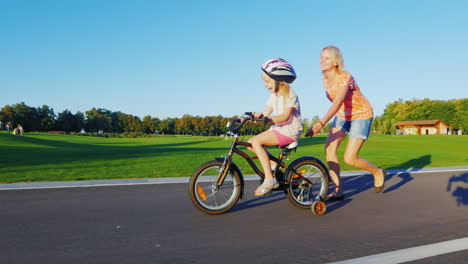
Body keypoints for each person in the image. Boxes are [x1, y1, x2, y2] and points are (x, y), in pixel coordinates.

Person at [305, 46, 386, 200]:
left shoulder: (345, 76)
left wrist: (320, 124)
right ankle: (338, 189)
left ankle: (377, 172)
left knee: (350, 158)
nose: (322, 60)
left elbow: (336, 103)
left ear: (336, 62)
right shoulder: (325, 79)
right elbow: (338, 106)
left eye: (327, 58)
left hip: (361, 114)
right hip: (343, 115)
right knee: (330, 149)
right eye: (321, 57)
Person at [247, 58, 303, 196]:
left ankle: (269, 179)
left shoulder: (291, 94)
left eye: (267, 81)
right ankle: (274, 167)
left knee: (256, 142)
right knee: (249, 144)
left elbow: (284, 117)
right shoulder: (274, 95)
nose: (265, 85)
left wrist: (267, 119)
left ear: (279, 80)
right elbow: (266, 113)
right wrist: (254, 118)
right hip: (279, 130)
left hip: (289, 131)